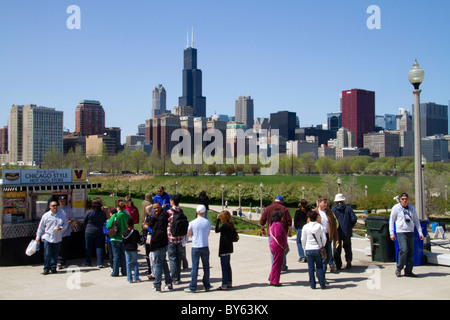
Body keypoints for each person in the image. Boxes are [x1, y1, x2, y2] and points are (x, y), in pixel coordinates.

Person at [389, 193, 424, 277]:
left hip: (410, 232)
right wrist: (391, 233)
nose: (404, 200)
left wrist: (420, 232)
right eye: (403, 199)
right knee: (403, 250)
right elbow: (391, 220)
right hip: (401, 232)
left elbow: (416, 220)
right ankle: (399, 268)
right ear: (400, 199)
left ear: (408, 199)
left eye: (406, 199)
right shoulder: (396, 208)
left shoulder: (411, 208)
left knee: (411, 252)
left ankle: (408, 270)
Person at [35, 201, 69, 275]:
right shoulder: (46, 215)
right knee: (47, 253)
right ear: (50, 206)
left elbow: (66, 224)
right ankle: (46, 268)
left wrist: (61, 228)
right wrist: (38, 237)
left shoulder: (61, 215)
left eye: (56, 205)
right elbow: (41, 227)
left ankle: (53, 267)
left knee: (56, 254)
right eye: (53, 206)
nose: (55, 207)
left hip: (58, 237)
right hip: (48, 237)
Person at [260, 196, 292, 271]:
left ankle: (275, 266)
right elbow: (289, 222)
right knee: (284, 248)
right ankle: (282, 266)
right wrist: (290, 232)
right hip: (282, 233)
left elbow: (262, 220)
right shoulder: (284, 209)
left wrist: (262, 229)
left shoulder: (268, 208)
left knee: (273, 250)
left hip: (271, 233)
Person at [185, 205, 212, 293]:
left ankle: (193, 286)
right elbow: (208, 233)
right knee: (206, 267)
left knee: (195, 267)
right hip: (204, 245)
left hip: (195, 246)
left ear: (196, 212)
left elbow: (189, 234)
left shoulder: (192, 222)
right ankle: (207, 285)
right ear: (204, 212)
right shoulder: (207, 222)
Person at [147, 202, 172, 292]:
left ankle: (157, 284)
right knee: (163, 263)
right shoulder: (157, 217)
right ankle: (169, 283)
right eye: (154, 208)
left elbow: (160, 231)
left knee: (158, 265)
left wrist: (154, 240)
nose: (156, 210)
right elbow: (150, 225)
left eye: (157, 208)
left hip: (159, 244)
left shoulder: (163, 217)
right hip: (159, 243)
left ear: (161, 207)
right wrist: (153, 217)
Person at [313, 196, 339, 275]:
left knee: (327, 254)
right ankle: (320, 271)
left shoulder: (329, 212)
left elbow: (334, 226)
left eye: (326, 202)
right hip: (318, 237)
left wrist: (336, 238)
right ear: (319, 203)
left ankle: (323, 271)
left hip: (327, 236)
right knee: (320, 254)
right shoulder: (315, 212)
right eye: (324, 202)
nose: (326, 204)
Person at [301, 210, 327, 289]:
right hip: (317, 248)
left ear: (308, 218)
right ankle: (322, 284)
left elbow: (303, 239)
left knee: (311, 268)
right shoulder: (320, 226)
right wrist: (322, 245)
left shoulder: (305, 227)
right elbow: (324, 238)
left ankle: (312, 284)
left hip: (309, 248)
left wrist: (304, 248)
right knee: (319, 267)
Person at [331, 193, 357, 270]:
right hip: (347, 233)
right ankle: (348, 261)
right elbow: (353, 219)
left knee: (337, 249)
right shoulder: (348, 209)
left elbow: (331, 221)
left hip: (337, 233)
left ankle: (338, 264)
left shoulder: (334, 210)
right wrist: (349, 226)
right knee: (348, 247)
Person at [106, 201, 128, 277]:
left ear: (117, 207)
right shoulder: (126, 216)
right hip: (124, 237)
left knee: (116, 256)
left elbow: (108, 225)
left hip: (115, 238)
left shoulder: (115, 216)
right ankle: (124, 271)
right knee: (123, 256)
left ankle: (115, 272)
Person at [215, 210, 236, 290]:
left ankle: (224, 284)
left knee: (224, 267)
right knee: (228, 266)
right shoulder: (231, 224)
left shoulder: (224, 226)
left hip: (224, 248)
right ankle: (229, 282)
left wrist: (217, 220)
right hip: (229, 247)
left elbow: (217, 230)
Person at [82, 199, 107, 268]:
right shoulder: (102, 213)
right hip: (99, 231)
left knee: (88, 247)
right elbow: (104, 220)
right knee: (99, 247)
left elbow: (83, 221)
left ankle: (88, 262)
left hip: (89, 231)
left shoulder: (89, 212)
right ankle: (100, 263)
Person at [167, 194, 185, 284]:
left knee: (172, 258)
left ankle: (174, 278)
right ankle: (178, 277)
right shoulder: (181, 211)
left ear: (172, 201)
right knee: (178, 258)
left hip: (171, 238)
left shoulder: (169, 212)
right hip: (180, 238)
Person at [268, 209, 288, 286]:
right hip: (278, 246)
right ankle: (274, 281)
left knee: (275, 262)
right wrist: (283, 245)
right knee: (278, 264)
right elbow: (278, 235)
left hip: (273, 244)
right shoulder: (278, 224)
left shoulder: (272, 224)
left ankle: (272, 276)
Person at [122, 217, 142, 283]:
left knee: (128, 263)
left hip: (127, 249)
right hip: (133, 248)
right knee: (135, 263)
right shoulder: (135, 232)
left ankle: (129, 278)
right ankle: (136, 277)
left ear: (127, 224)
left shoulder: (124, 232)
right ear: (133, 224)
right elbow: (138, 240)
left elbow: (123, 241)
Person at [57, 195, 74, 269]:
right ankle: (57, 260)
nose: (62, 202)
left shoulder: (69, 209)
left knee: (64, 247)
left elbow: (72, 219)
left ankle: (62, 261)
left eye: (64, 201)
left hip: (66, 232)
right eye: (61, 201)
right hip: (57, 232)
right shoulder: (56, 209)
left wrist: (68, 222)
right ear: (59, 202)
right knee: (57, 247)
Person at [142, 205, 155, 279]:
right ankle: (150, 268)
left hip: (150, 236)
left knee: (150, 253)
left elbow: (151, 228)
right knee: (148, 253)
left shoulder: (152, 218)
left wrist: (146, 227)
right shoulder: (148, 218)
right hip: (147, 237)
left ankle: (151, 269)